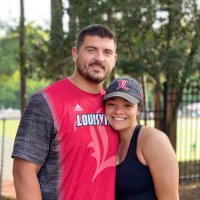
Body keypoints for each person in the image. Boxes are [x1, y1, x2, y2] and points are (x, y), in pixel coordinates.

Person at [12, 24, 119, 200]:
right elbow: (23, 172)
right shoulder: (45, 102)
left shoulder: (114, 107)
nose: (99, 58)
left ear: (114, 59)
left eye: (107, 52)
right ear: (75, 53)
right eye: (91, 50)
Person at [103, 77, 179, 200]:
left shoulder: (154, 140)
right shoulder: (108, 140)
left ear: (139, 109)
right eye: (112, 104)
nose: (118, 111)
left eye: (127, 105)